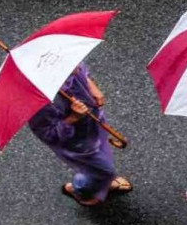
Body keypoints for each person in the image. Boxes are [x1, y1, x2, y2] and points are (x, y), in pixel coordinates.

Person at [28, 63, 132, 206]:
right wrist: (73, 118)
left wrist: (90, 85)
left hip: (93, 125)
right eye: (71, 68)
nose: (77, 68)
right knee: (104, 171)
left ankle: (101, 180)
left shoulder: (65, 62)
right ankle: (79, 188)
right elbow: (49, 135)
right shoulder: (40, 104)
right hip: (79, 143)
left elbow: (82, 68)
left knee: (103, 160)